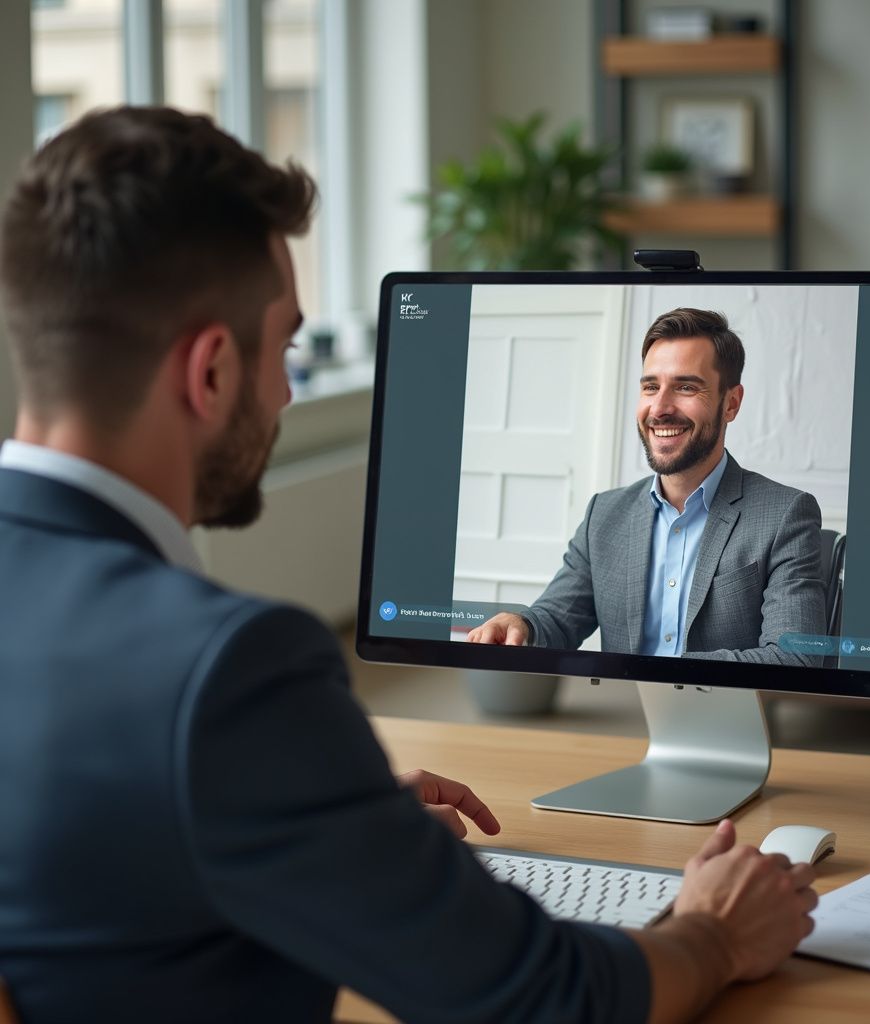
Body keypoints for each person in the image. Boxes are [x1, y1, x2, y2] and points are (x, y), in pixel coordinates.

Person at [0, 107, 817, 1024]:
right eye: (288, 352)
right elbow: (545, 998)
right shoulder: (228, 670)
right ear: (214, 372)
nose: (283, 391)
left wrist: (317, 811)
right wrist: (712, 932)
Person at [467, 308, 826, 664]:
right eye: (651, 387)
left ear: (730, 403)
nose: (660, 408)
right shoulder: (603, 515)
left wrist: (667, 678)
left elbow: (795, 658)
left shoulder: (784, 515)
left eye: (686, 387)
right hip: (620, 718)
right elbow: (557, 619)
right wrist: (522, 623)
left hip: (722, 719)